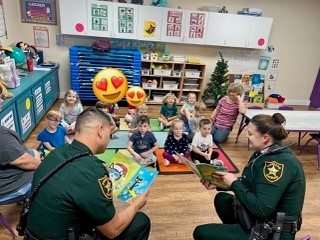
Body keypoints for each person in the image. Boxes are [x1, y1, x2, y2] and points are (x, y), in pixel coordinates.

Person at [26, 107, 151, 240]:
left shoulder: (56, 152)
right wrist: (137, 204)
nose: (109, 139)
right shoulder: (93, 170)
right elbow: (112, 230)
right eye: (110, 133)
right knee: (141, 221)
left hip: (34, 233)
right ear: (100, 130)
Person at [193, 113, 306, 240]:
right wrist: (219, 182)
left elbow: (262, 209)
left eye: (250, 133)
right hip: (262, 221)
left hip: (273, 233)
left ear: (265, 137)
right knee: (221, 199)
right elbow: (252, 183)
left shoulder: (277, 165)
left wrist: (234, 183)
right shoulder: (265, 153)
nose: (247, 136)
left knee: (201, 232)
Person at [0, 88, 41, 203]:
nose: (2, 100)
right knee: (49, 175)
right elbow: (22, 161)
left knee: (34, 152)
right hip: (9, 187)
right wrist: (43, 167)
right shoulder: (1, 135)